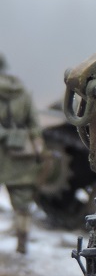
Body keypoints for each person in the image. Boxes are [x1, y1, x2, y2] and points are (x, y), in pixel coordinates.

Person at [0, 53, 43, 255]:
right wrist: (37, 147)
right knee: (22, 203)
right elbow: (34, 124)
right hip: (19, 154)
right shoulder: (22, 91)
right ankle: (22, 242)